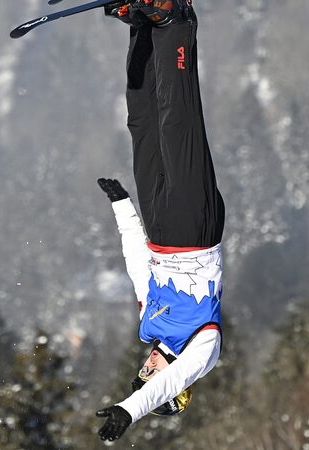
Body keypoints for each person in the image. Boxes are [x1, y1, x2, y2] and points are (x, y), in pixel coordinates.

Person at [94, 0, 226, 442]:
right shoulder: (202, 349)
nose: (146, 367)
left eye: (140, 373)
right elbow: (167, 384)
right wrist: (130, 412)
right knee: (178, 122)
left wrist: (121, 207)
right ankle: (174, 22)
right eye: (150, 376)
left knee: (143, 124)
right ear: (177, 387)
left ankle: (142, 26)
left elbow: (137, 265)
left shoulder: (150, 324)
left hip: (158, 229)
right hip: (195, 228)